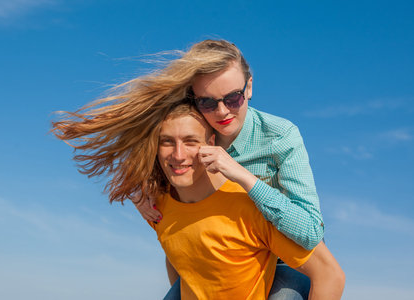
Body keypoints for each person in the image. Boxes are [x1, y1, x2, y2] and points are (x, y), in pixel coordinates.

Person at [52, 39, 324, 299]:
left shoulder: (280, 136)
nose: (221, 112)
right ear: (194, 99)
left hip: (283, 260)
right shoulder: (186, 131)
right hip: (211, 259)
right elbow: (149, 154)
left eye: (233, 98)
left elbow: (311, 232)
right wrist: (138, 188)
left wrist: (243, 177)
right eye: (207, 101)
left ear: (249, 87)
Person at [152, 102, 344, 299]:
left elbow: (329, 274)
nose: (178, 155)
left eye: (190, 141)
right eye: (166, 141)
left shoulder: (251, 207)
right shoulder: (156, 205)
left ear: (211, 144)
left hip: (285, 256)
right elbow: (179, 251)